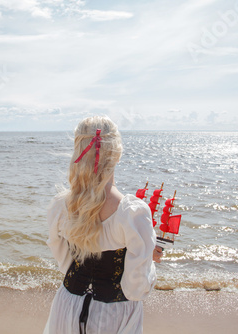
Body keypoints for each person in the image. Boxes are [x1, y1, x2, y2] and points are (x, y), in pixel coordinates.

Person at [43, 116, 163, 334]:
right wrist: (150, 260)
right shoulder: (131, 213)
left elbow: (64, 261)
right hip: (114, 316)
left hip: (66, 305)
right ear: (117, 154)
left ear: (77, 150)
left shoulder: (61, 206)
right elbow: (135, 288)